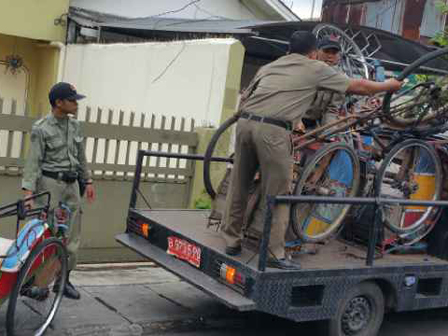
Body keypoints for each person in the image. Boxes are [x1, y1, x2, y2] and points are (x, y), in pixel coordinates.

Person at [221, 31, 402, 270]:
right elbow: (359, 86)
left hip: (245, 124)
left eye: (333, 53)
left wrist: (323, 133)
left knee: (239, 184)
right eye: (325, 52)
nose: (329, 56)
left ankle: (231, 241)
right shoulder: (315, 68)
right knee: (280, 194)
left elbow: (247, 96)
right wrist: (388, 85)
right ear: (314, 52)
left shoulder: (271, 66)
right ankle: (275, 253)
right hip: (274, 130)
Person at [22, 82, 95, 299]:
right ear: (59, 103)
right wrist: (28, 193)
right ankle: (32, 284)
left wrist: (88, 181)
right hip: (50, 185)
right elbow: (33, 162)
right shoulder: (41, 128)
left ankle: (63, 281)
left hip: (72, 186)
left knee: (72, 235)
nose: (76, 104)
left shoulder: (75, 127)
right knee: (48, 233)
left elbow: (81, 157)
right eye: (72, 100)